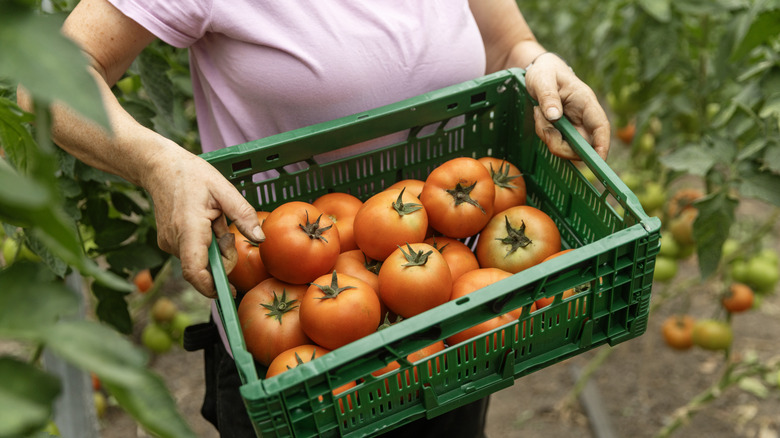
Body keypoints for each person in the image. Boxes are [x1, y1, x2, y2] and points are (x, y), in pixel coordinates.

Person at [26, 0, 611, 436]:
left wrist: (538, 65)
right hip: (292, 354)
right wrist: (157, 163)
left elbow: (508, 43)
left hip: (448, 328)